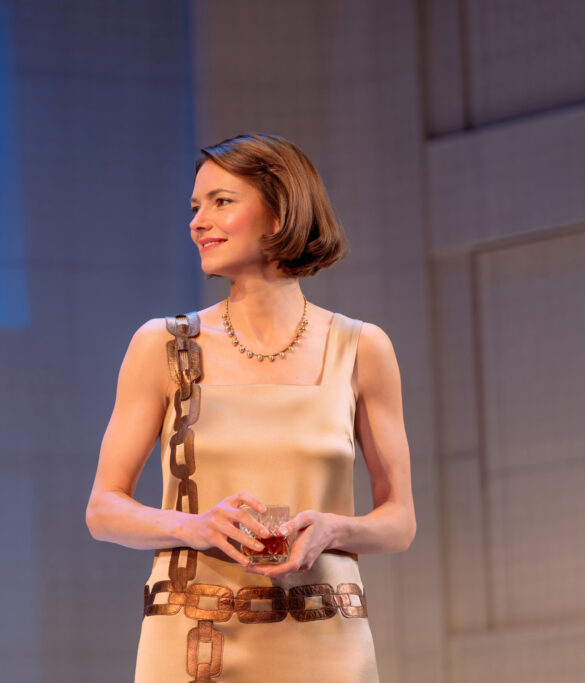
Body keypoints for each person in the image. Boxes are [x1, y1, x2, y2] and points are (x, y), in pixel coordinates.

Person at [86, 132, 416, 682]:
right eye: (195, 206)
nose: (198, 222)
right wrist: (196, 526)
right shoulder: (163, 345)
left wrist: (331, 529)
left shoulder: (362, 348)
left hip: (323, 639)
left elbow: (399, 522)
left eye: (221, 202)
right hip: (194, 639)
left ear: (281, 211)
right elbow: (103, 509)